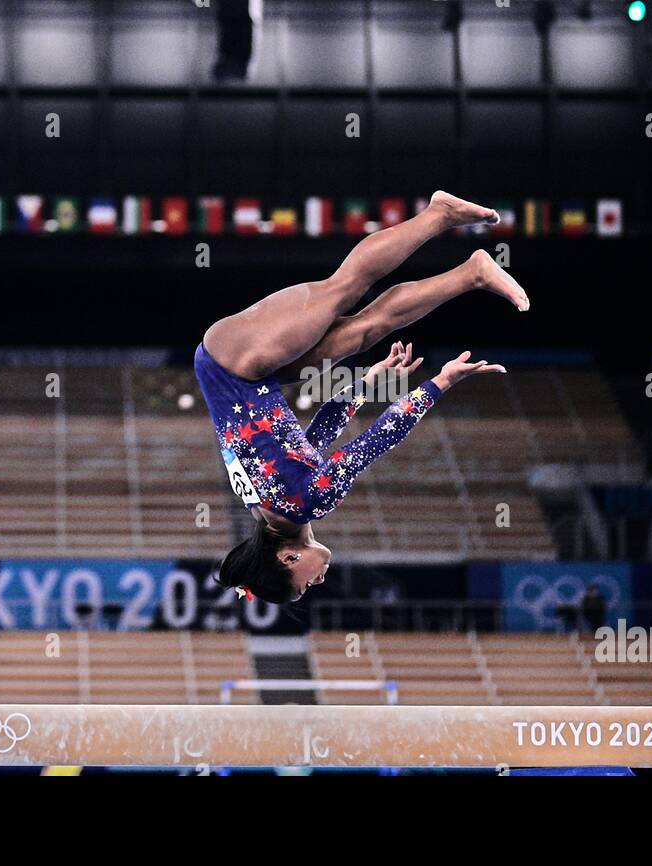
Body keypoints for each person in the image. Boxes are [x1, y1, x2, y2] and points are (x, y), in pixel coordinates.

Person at [195, 191, 529, 604]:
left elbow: (372, 443)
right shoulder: (269, 509)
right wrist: (368, 385)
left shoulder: (308, 502)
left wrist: (439, 383)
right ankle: (472, 273)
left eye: (303, 586)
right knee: (370, 328)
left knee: (346, 287)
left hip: (239, 360)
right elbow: (309, 443)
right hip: (236, 365)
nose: (316, 583)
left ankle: (440, 216)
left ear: (288, 559)